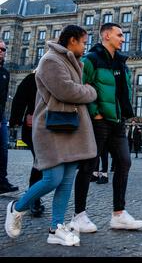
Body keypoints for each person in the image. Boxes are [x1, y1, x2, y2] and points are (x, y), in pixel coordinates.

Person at [4, 25, 97, 246]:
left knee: (65, 181)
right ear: (72, 41)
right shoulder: (50, 61)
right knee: (52, 178)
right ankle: (17, 207)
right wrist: (90, 91)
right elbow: (67, 91)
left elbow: (73, 90)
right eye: (84, 42)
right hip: (51, 128)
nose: (86, 46)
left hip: (70, 127)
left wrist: (81, 89)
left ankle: (56, 228)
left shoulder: (72, 62)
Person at [71, 23, 142, 233]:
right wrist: (95, 112)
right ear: (106, 35)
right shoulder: (91, 59)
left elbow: (123, 91)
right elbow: (81, 85)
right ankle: (79, 215)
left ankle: (119, 214)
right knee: (88, 166)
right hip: (99, 121)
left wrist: (124, 113)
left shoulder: (122, 63)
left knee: (124, 161)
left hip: (117, 121)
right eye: (119, 35)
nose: (123, 38)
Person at [9, 71, 45, 216]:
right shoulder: (33, 78)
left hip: (52, 127)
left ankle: (33, 196)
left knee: (43, 164)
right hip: (33, 128)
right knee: (40, 161)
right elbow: (19, 99)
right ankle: (32, 198)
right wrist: (17, 120)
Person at [0, 40, 19, 195]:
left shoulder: (6, 73)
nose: (2, 52)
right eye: (0, 49)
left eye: (4, 49)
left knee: (3, 149)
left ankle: (2, 181)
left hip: (1, 117)